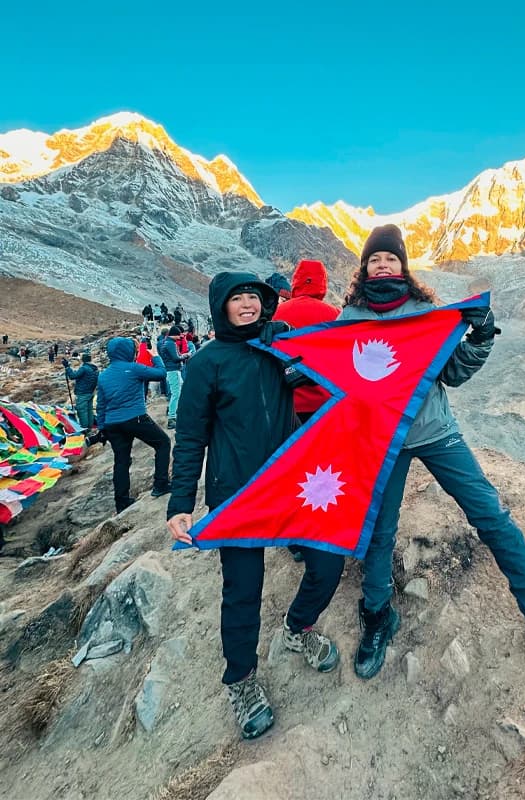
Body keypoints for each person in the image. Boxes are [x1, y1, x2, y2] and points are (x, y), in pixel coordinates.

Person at [338, 223, 525, 690]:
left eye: (391, 258)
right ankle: (377, 614)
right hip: (383, 442)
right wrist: (290, 356)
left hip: (435, 431)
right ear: (365, 268)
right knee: (378, 532)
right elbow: (338, 379)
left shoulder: (427, 314)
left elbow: (452, 372)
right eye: (375, 259)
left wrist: (479, 337)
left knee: (492, 516)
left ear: (402, 266)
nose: (383, 265)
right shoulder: (348, 320)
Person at [167, 272, 344, 740]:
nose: (247, 304)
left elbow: (333, 367)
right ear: (220, 307)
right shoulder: (206, 363)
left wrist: (293, 349)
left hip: (293, 483)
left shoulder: (279, 343)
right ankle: (241, 680)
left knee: (328, 561)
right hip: (238, 493)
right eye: (237, 298)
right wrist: (181, 501)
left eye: (254, 297)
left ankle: (298, 628)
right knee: (243, 589)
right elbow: (191, 436)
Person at [273, 258, 339, 563]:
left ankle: (295, 539)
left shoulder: (277, 314)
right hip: (325, 406)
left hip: (287, 406)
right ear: (323, 282)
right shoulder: (334, 314)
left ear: (296, 280)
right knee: (323, 470)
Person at [96, 337, 171, 513]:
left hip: (112, 424)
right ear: (128, 351)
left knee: (121, 461)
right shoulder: (134, 368)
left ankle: (121, 503)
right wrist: (155, 356)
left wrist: (102, 428)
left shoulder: (103, 375)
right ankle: (160, 484)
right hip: (135, 418)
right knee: (163, 443)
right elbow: (161, 373)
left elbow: (101, 405)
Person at [159, 325, 189, 428]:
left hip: (172, 370)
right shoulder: (170, 343)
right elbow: (176, 358)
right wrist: (186, 355)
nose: (181, 336)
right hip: (173, 371)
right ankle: (172, 418)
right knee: (176, 393)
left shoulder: (167, 342)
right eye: (179, 334)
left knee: (177, 391)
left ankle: (173, 410)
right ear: (175, 334)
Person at [62, 352, 99, 430]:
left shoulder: (84, 368)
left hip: (82, 393)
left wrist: (67, 367)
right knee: (89, 410)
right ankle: (90, 427)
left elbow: (72, 376)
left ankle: (84, 429)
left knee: (82, 411)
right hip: (90, 392)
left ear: (83, 360)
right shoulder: (94, 368)